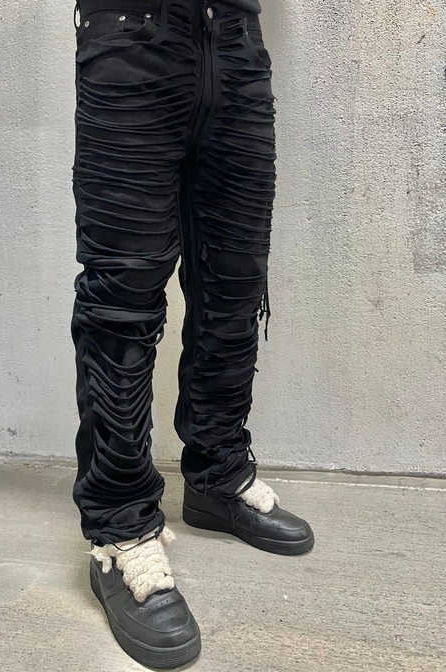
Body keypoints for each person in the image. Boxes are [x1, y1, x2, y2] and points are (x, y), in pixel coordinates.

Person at [70, 0, 314, 666]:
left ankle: (216, 474)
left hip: (237, 46)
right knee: (121, 304)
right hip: (130, 42)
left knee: (234, 285)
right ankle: (119, 530)